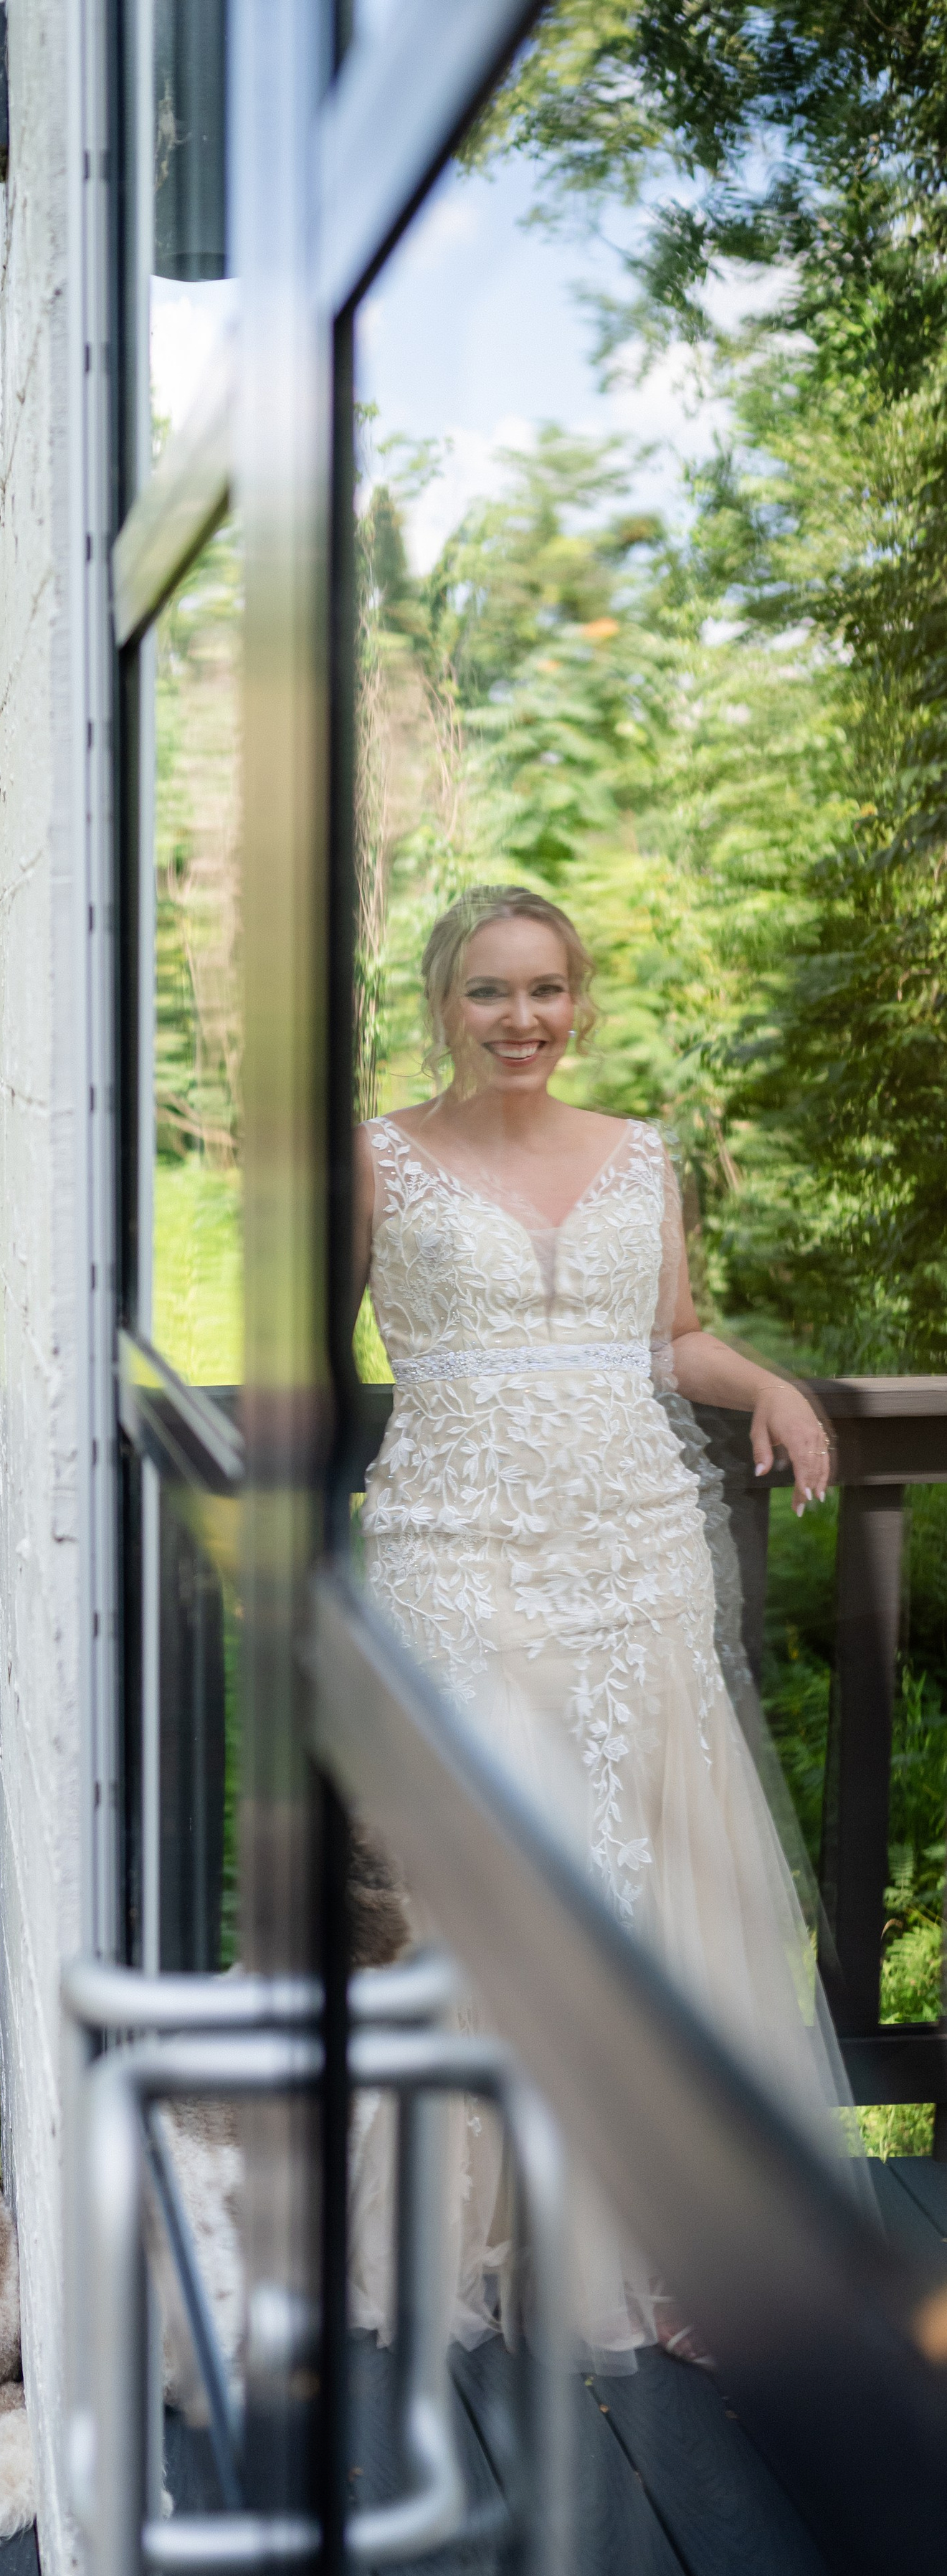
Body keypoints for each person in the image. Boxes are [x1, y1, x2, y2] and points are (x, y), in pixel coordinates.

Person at [350, 883, 850, 2364]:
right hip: (453, 1550)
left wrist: (763, 1386)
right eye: (488, 992)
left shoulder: (640, 1157)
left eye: (545, 990)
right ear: (441, 1003)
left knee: (654, 1884)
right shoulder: (374, 1159)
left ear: (578, 1004)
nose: (520, 1020)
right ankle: (455, 2229)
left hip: (636, 1542)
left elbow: (668, 1336)